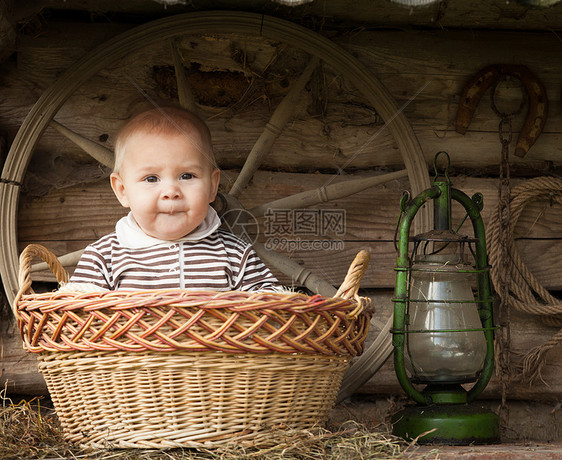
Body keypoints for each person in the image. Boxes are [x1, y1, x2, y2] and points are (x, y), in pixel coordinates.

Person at [69, 106, 282, 292]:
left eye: (187, 176)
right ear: (123, 190)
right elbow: (76, 315)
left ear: (212, 186)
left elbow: (270, 308)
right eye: (151, 178)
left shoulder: (235, 253)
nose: (171, 191)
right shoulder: (104, 257)